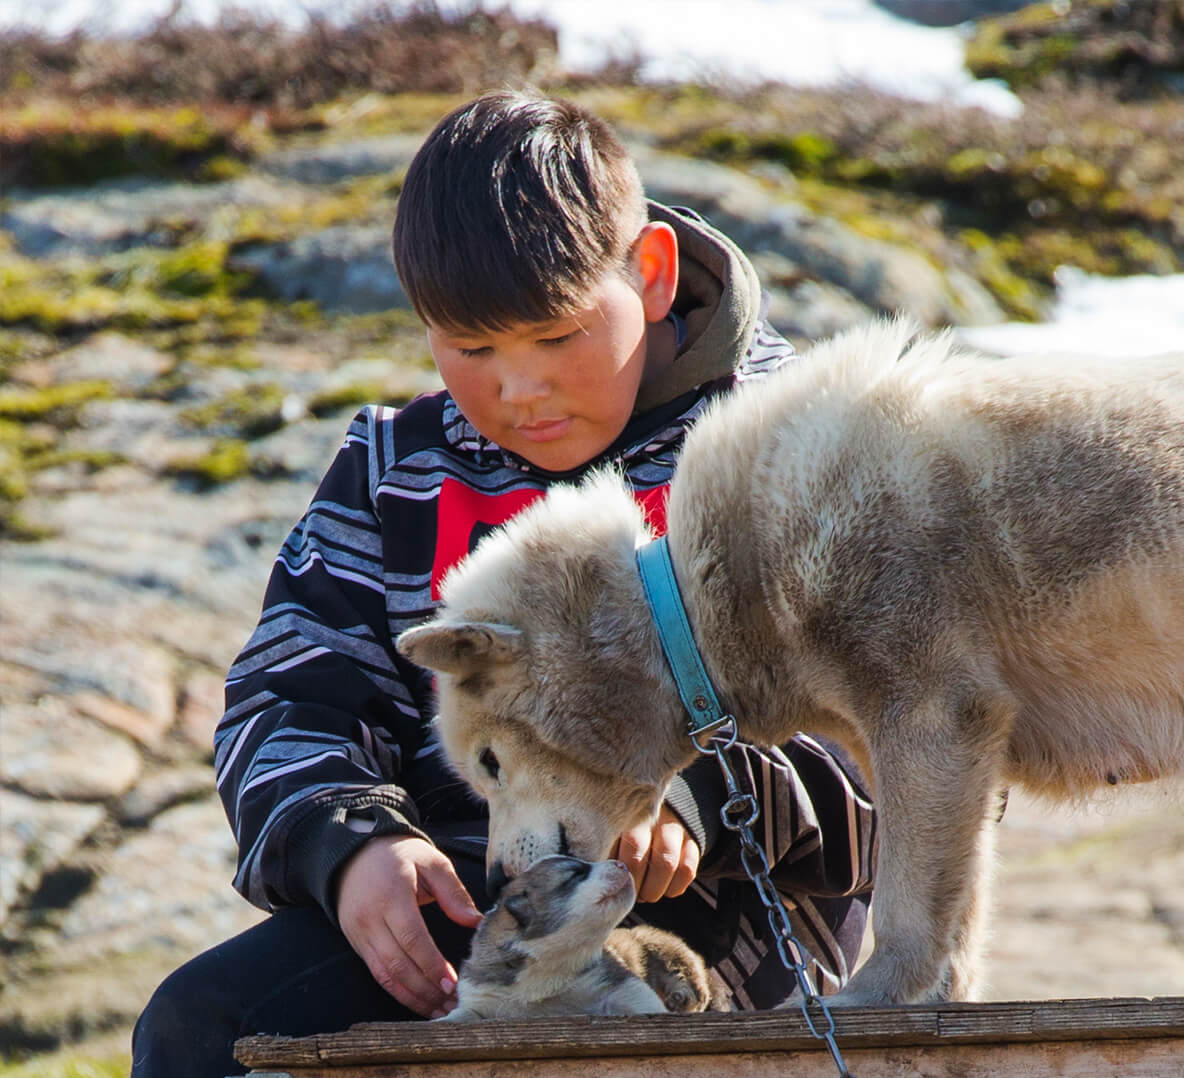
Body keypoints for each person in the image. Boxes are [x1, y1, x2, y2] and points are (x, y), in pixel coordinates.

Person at [131, 89, 876, 1077]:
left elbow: (889, 728)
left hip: (725, 918)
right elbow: (286, 697)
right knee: (199, 1024)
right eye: (473, 350)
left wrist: (685, 797)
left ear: (650, 275)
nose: (519, 390)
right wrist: (349, 848)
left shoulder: (804, 444)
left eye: (558, 336)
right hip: (461, 914)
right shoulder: (390, 469)